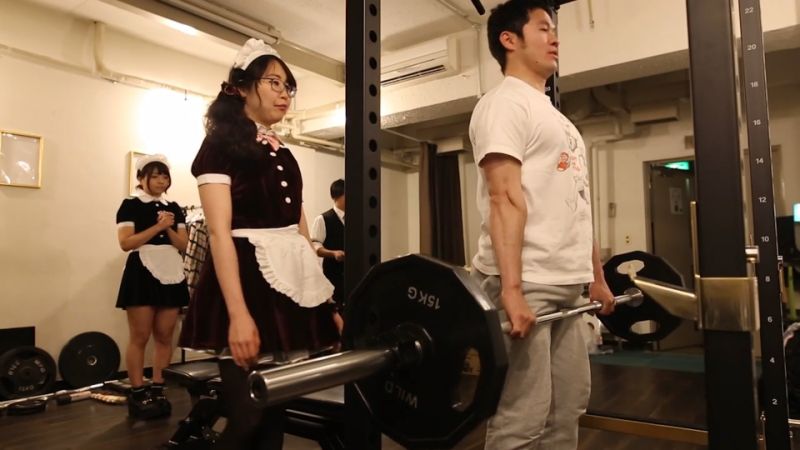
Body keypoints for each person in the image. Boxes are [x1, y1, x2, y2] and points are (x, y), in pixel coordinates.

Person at [178, 38, 339, 449]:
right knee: (247, 418)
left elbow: (298, 229)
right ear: (241, 88)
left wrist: (325, 302)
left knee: (273, 420)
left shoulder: (283, 151)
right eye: (273, 82)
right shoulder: (219, 147)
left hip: (285, 290)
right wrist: (238, 316)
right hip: (245, 285)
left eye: (288, 86)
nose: (285, 94)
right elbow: (219, 234)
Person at [468, 1, 615, 448]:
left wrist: (595, 277)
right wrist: (511, 291)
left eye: (554, 30)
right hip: (527, 281)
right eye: (543, 29)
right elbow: (504, 198)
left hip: (567, 284)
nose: (555, 39)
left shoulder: (557, 118)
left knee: (567, 408)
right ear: (509, 39)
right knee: (522, 417)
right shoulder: (502, 104)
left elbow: (578, 202)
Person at [115, 154, 189, 420]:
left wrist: (168, 227)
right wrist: (157, 226)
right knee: (140, 335)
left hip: (171, 270)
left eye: (165, 176)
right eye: (155, 176)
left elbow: (183, 245)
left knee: (165, 336)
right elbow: (126, 243)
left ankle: (158, 388)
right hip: (142, 272)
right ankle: (137, 392)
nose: (161, 181)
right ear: (141, 178)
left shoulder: (174, 207)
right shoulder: (130, 204)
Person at [310, 179, 345, 331]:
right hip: (332, 277)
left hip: (352, 276)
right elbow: (315, 246)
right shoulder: (323, 219)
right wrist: (333, 253)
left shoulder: (356, 219)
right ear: (337, 196)